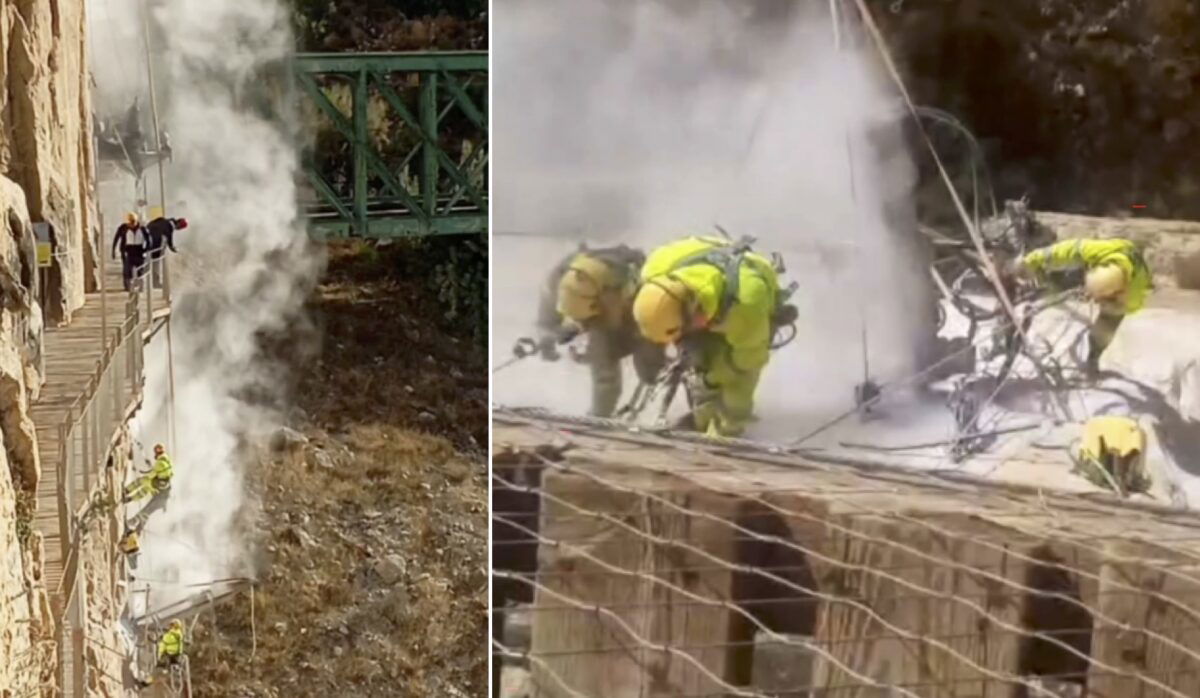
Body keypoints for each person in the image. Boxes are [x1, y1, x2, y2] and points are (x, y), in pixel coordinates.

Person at [632, 234, 792, 438]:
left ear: (695, 313)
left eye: (678, 335)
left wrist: (724, 428)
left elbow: (746, 369)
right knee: (698, 361)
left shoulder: (747, 306)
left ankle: (722, 425)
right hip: (706, 286)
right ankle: (702, 413)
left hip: (741, 300)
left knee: (729, 375)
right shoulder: (654, 270)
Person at [534, 244, 666, 417]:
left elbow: (655, 325)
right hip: (608, 314)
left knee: (650, 367)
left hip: (636, 315)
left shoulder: (642, 287)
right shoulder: (561, 280)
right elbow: (547, 320)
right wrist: (548, 337)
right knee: (605, 374)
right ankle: (599, 418)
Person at [1010, 237, 1153, 373]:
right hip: (1099, 270)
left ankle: (1093, 357)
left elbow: (1130, 308)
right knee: (1063, 273)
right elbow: (1067, 250)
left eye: (1099, 298)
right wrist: (1031, 260)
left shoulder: (1135, 291)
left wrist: (1111, 306)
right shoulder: (1101, 251)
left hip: (1120, 296)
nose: (1095, 301)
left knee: (1105, 328)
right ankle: (1039, 286)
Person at [123, 443, 174, 536]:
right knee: (146, 512)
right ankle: (136, 530)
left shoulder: (160, 463)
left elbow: (151, 475)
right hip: (163, 495)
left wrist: (146, 474)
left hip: (160, 495)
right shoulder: (167, 462)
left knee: (142, 483)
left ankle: (127, 493)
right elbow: (163, 473)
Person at [135, 619, 186, 688]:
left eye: (171, 625)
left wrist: (155, 640)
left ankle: (144, 684)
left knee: (158, 672)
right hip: (168, 660)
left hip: (171, 662)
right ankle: (144, 683)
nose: (170, 627)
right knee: (156, 672)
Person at [144, 216, 187, 289]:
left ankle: (144, 280)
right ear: (178, 224)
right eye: (180, 228)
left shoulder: (164, 220)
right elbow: (169, 240)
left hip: (146, 240)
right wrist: (173, 249)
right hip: (154, 245)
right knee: (155, 264)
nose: (179, 229)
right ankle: (155, 283)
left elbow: (150, 224)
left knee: (146, 262)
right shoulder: (169, 226)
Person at [111, 212, 147, 292]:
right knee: (127, 269)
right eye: (130, 222)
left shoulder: (142, 228)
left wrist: (146, 250)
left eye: (133, 221)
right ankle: (127, 286)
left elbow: (148, 239)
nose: (132, 224)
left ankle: (139, 285)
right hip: (126, 251)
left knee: (140, 269)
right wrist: (113, 251)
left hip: (139, 251)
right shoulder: (123, 228)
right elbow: (116, 239)